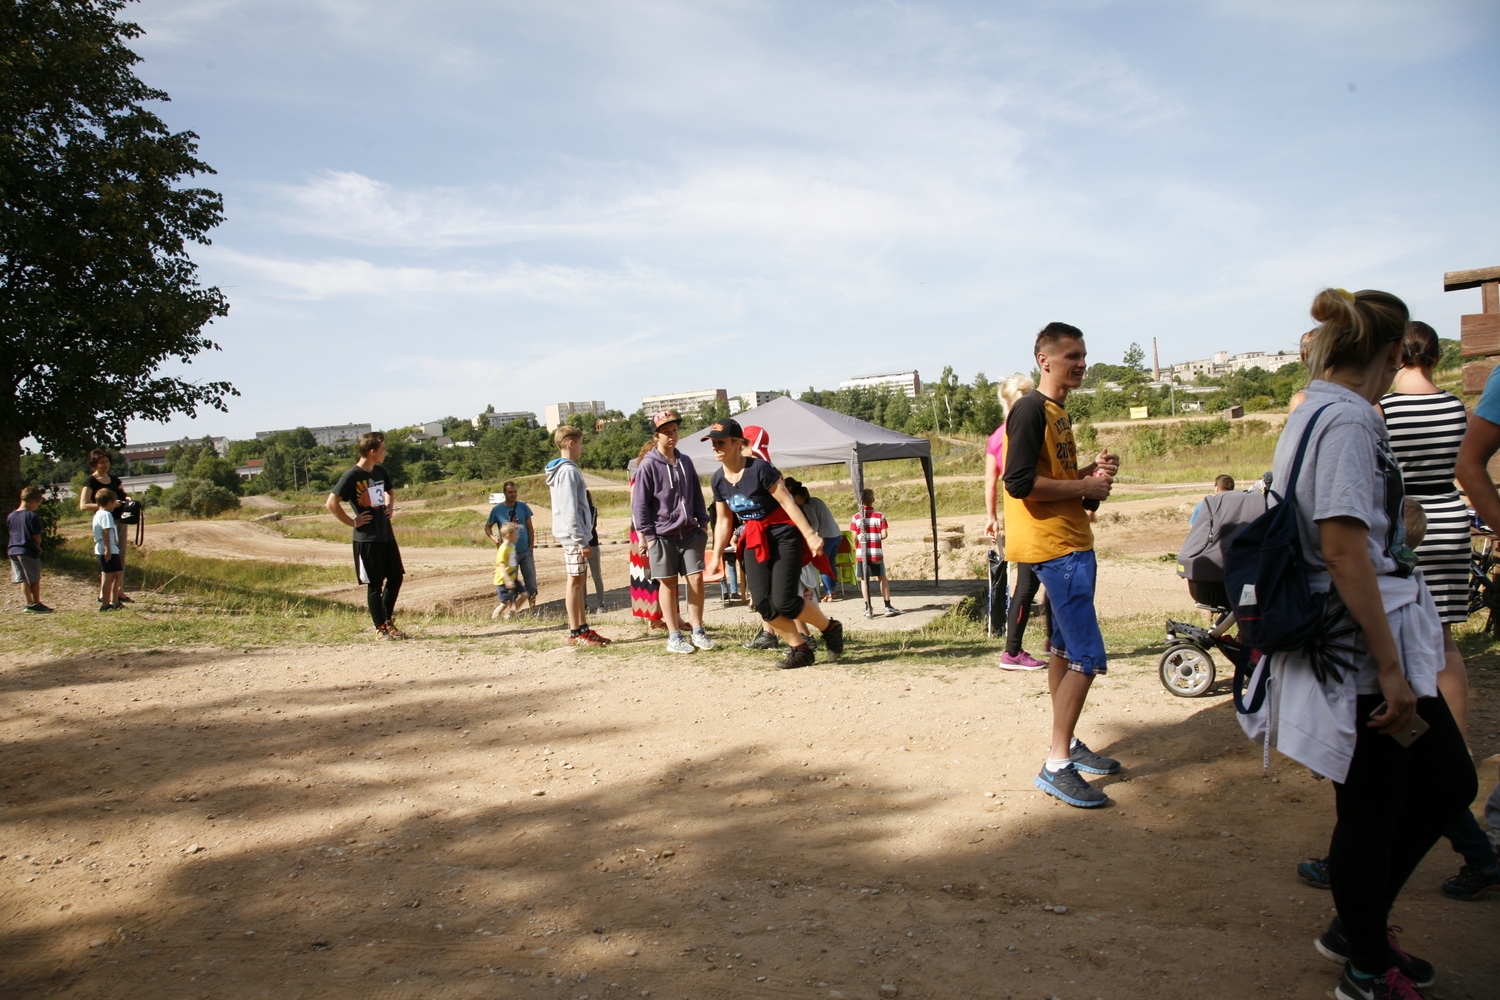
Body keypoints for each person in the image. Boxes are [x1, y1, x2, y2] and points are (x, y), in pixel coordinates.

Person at [1263, 289, 1475, 1000]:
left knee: (1428, 784)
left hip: (1346, 644)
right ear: (1390, 354)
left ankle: (1358, 928)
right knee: (1391, 802)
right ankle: (1362, 961)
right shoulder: (1351, 420)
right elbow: (1344, 548)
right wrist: (1392, 670)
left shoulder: (1314, 409)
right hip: (1358, 654)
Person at [1381, 320, 1498, 901]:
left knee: (1406, 642)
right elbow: (1462, 470)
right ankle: (1455, 744)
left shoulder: (1382, 409)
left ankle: (1425, 748)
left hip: (1408, 525)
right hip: (1452, 523)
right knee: (1446, 640)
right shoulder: (1455, 408)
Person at [1004, 322, 1122, 808]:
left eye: (1084, 355)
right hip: (1057, 549)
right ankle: (1056, 764)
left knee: (1059, 647)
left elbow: (1055, 480)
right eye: (1071, 355)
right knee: (1086, 657)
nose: (1081, 363)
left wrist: (1090, 478)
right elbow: (1019, 483)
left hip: (1069, 540)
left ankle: (1067, 743)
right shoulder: (1031, 408)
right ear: (1044, 360)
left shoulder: (1057, 412)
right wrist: (1083, 487)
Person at [704, 418, 844, 669]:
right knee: (762, 603)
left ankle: (830, 628)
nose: (715, 447)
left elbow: (789, 504)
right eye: (712, 442)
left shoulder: (760, 470)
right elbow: (723, 521)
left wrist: (810, 536)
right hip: (753, 539)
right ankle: (800, 649)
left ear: (737, 443)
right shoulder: (718, 479)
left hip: (782, 536)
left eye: (720, 442)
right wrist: (715, 555)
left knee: (785, 602)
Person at [631, 410, 714, 654]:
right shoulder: (648, 465)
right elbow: (640, 504)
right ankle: (674, 635)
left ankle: (698, 630)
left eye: (675, 430)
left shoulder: (685, 461)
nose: (672, 436)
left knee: (696, 578)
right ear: (656, 436)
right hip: (662, 534)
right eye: (666, 432)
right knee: (667, 584)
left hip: (690, 532)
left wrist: (703, 523)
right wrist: (648, 535)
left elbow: (696, 494)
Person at [985, 373, 1049, 669]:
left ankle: (1025, 647)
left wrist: (992, 517)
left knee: (1028, 585)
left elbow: (990, 482)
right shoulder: (1029, 427)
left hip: (1021, 519)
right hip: (1036, 516)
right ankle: (1020, 649)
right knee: (1033, 585)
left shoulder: (996, 436)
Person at [327, 431, 408, 640]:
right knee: (375, 583)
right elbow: (331, 503)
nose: (386, 452)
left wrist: (390, 507)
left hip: (386, 535)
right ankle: (380, 628)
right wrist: (353, 521)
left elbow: (390, 491)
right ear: (372, 451)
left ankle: (388, 621)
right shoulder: (352, 475)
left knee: (396, 577)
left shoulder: (380, 471)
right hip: (366, 539)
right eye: (383, 449)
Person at [546, 425, 611, 646]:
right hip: (574, 537)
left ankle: (583, 627)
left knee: (579, 580)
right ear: (571, 443)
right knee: (575, 582)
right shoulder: (567, 471)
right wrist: (581, 539)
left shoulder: (567, 469)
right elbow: (570, 508)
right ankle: (576, 631)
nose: (582, 448)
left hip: (576, 536)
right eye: (581, 444)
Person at [78, 448, 132, 604]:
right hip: (105, 521)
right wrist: (105, 506)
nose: (105, 465)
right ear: (94, 464)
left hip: (120, 520)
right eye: (101, 462)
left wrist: (126, 500)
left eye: (107, 461)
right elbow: (83, 505)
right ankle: (104, 594)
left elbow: (123, 495)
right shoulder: (90, 481)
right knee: (108, 557)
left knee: (120, 557)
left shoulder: (115, 480)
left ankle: (119, 591)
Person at [627, 442, 666, 631]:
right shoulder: (638, 478)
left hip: (657, 530)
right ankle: (654, 618)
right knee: (650, 576)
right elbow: (637, 510)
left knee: (664, 575)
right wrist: (642, 536)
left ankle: (667, 615)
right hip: (642, 532)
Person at [485, 480, 538, 612]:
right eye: (510, 492)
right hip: (509, 554)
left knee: (530, 581)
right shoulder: (497, 510)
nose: (513, 494)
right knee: (511, 582)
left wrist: (531, 547)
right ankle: (512, 611)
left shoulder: (523, 507)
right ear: (504, 493)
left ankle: (533, 610)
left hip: (525, 551)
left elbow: (530, 528)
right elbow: (487, 527)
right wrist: (493, 538)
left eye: (515, 492)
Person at [787, 478, 843, 602]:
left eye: (795, 498)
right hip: (836, 535)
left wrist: (808, 535)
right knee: (831, 563)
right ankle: (833, 591)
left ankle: (828, 593)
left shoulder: (807, 505)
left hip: (826, 536)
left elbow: (815, 525)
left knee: (823, 564)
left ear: (799, 497)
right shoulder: (817, 500)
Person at [850, 489, 898, 618]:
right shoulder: (879, 515)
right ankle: (887, 606)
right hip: (876, 551)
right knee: (882, 577)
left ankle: (868, 607)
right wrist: (875, 538)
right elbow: (884, 534)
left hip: (862, 552)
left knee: (864, 580)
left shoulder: (855, 517)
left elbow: (854, 537)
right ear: (873, 500)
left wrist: (857, 547)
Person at [9, 486, 50, 613]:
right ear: (32, 501)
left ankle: (28, 602)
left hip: (13, 550)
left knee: (23, 578)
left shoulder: (11, 515)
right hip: (27, 550)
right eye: (36, 504)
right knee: (34, 578)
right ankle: (36, 602)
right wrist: (38, 544)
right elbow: (35, 535)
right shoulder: (31, 516)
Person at [91, 488, 124, 611]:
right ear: (110, 501)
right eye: (114, 502)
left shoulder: (98, 513)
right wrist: (107, 549)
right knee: (109, 576)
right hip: (108, 547)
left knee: (117, 574)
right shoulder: (106, 514)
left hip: (109, 547)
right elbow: (106, 531)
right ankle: (106, 604)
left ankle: (115, 601)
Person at [491, 520, 522, 619]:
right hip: (504, 580)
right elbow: (501, 564)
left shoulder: (511, 547)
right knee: (504, 603)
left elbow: (509, 563)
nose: (518, 536)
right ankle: (494, 619)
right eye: (516, 534)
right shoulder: (503, 548)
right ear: (508, 535)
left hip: (512, 578)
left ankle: (510, 615)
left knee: (524, 594)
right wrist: (507, 580)